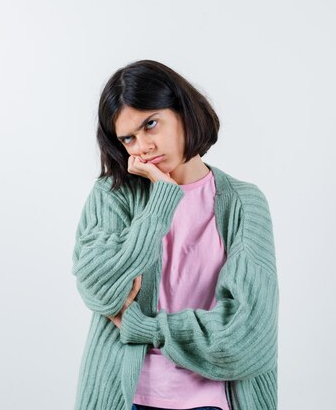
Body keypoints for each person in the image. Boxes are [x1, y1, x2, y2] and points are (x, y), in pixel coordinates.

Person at [71, 60, 279, 410]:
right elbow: (100, 289)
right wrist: (162, 199)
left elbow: (248, 336)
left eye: (150, 124)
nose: (142, 146)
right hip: (122, 398)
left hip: (212, 402)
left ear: (183, 112)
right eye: (129, 138)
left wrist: (141, 325)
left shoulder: (244, 202)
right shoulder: (113, 194)